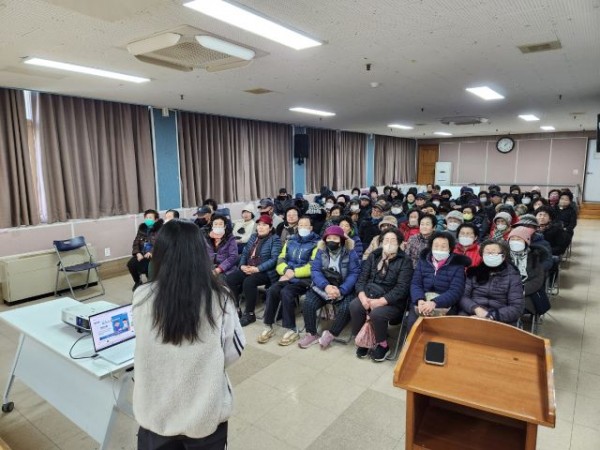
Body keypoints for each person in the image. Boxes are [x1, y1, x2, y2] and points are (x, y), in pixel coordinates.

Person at [133, 220, 244, 450]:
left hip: (155, 412)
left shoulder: (142, 296)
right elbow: (234, 350)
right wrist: (204, 364)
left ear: (159, 254)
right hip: (204, 414)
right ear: (201, 254)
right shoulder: (220, 297)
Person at [349, 228, 414, 361]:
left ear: (399, 243)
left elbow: (402, 288)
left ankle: (383, 345)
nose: (389, 243)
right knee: (355, 306)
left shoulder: (405, 261)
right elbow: (361, 280)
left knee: (377, 314)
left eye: (393, 240)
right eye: (386, 240)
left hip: (392, 301)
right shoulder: (374, 256)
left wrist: (380, 301)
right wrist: (363, 297)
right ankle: (365, 338)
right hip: (369, 294)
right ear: (381, 242)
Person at [258, 217, 320, 346]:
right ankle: (268, 325)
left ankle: (291, 328)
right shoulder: (290, 240)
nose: (302, 227)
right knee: (272, 290)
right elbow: (281, 259)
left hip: (305, 279)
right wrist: (286, 271)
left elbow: (313, 265)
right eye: (300, 225)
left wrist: (293, 274)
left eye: (306, 225)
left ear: (311, 228)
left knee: (286, 292)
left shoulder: (317, 243)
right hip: (288, 275)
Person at [298, 226, 361, 349]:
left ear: (341, 240)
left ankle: (331, 334)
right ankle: (311, 334)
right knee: (308, 303)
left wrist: (341, 290)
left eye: (335, 238)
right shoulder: (321, 251)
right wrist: (326, 286)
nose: (331, 241)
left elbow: (354, 273)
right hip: (324, 285)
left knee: (346, 308)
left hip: (343, 287)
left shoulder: (350, 253)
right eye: (329, 238)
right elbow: (315, 270)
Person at [225, 215, 282, 326]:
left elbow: (274, 259)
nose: (260, 227)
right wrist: (242, 265)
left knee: (249, 282)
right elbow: (245, 253)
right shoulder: (253, 236)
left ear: (270, 227)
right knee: (230, 278)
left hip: (265, 272)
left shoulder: (275, 239)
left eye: (264, 225)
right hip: (249, 267)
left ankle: (250, 314)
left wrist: (257, 269)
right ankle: (236, 308)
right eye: (259, 224)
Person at [407, 232, 470, 330]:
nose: (439, 249)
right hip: (422, 301)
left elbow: (456, 290)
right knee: (413, 326)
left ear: (450, 248)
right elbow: (416, 283)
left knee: (439, 331)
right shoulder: (423, 261)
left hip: (445, 303)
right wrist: (419, 299)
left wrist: (434, 303)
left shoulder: (457, 265)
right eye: (436, 246)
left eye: (443, 246)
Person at [458, 240, 523, 325]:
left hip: (500, 318)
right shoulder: (473, 273)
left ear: (503, 256)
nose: (490, 255)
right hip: (472, 313)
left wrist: (491, 316)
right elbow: (463, 297)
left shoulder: (513, 276)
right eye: (487, 253)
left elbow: (516, 307)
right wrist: (476, 309)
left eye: (494, 252)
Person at [127, 209, 163, 291]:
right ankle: (137, 281)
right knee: (131, 264)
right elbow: (136, 242)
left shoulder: (160, 229)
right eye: (146, 217)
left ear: (156, 219)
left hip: (155, 255)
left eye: (150, 218)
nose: (147, 219)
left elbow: (160, 244)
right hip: (142, 253)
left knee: (147, 267)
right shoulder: (142, 229)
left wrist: (151, 252)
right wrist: (137, 253)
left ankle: (152, 282)